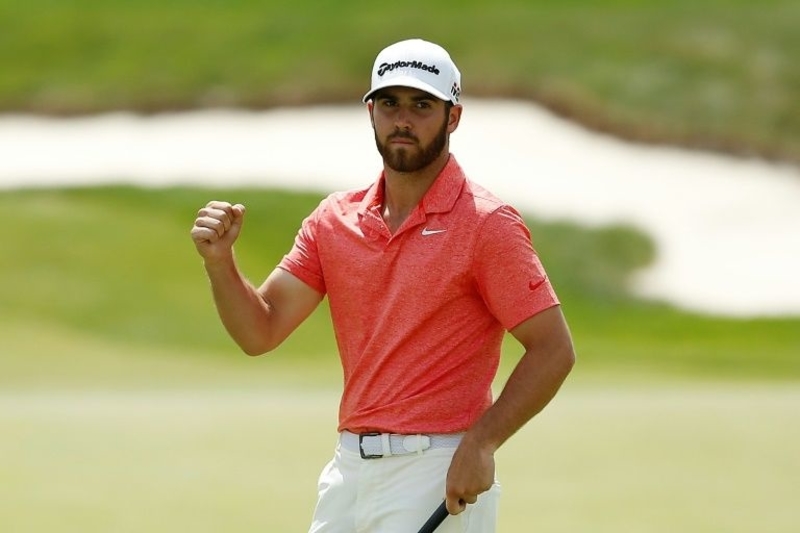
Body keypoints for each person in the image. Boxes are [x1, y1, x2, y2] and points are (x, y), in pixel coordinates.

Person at [190, 38, 575, 533]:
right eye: (390, 103)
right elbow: (259, 331)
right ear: (370, 112)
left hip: (437, 470)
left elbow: (553, 349)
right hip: (348, 471)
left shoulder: (486, 223)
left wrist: (482, 443)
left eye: (422, 105)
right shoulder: (334, 220)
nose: (403, 120)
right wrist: (220, 263)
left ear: (453, 117)